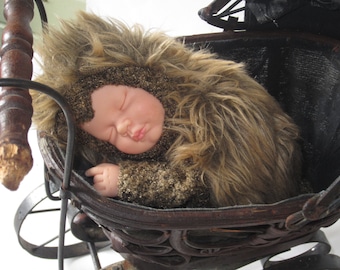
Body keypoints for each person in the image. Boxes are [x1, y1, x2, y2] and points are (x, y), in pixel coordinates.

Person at [31, 11, 302, 208]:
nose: (124, 126)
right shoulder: (152, 136)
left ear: (147, 80)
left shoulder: (217, 113)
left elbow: (201, 186)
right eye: (111, 134)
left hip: (258, 196)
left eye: (124, 104)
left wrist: (127, 180)